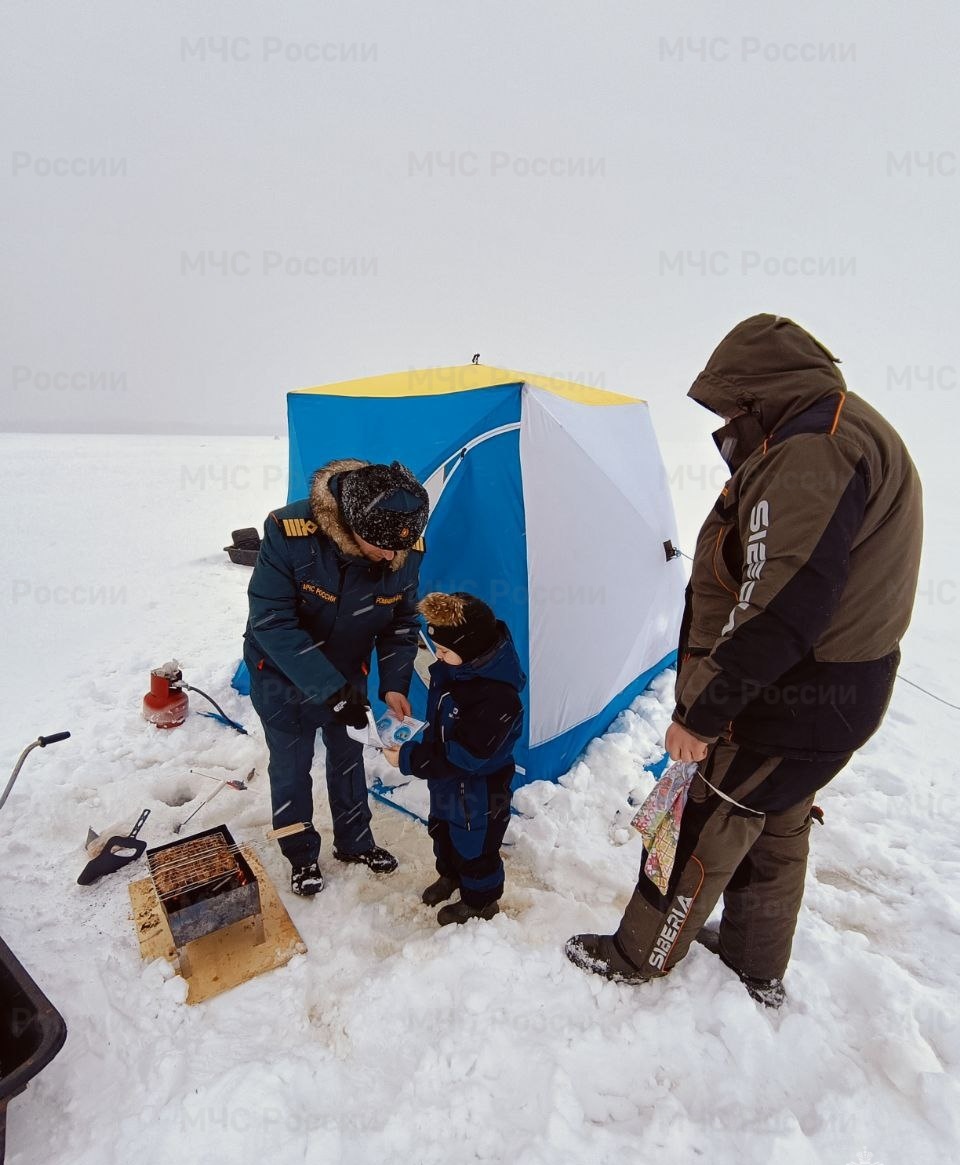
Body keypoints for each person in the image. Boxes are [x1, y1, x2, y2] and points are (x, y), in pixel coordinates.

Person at [566, 314, 923, 1006]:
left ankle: (642, 953)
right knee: (779, 817)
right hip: (835, 691)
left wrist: (703, 715)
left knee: (706, 815)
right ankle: (754, 961)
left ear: (764, 392)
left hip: (790, 696)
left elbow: (781, 602)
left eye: (732, 405)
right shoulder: (842, 429)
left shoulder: (813, 451)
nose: (726, 420)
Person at [244, 458, 429, 895]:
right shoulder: (290, 533)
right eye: (381, 546)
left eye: (398, 548)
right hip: (282, 673)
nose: (391, 557)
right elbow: (271, 622)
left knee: (348, 758)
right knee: (290, 767)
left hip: (349, 671)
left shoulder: (402, 544)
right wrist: (331, 691)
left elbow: (401, 621)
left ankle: (355, 841)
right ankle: (301, 855)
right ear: (350, 525)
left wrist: (394, 685)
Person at [382, 592, 525, 925]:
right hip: (446, 784)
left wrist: (409, 758)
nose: (438, 656)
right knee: (442, 833)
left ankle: (480, 902)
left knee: (476, 848)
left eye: (445, 650)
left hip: (480, 793)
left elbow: (467, 756)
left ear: (471, 648)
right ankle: (451, 877)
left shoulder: (499, 700)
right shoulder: (455, 671)